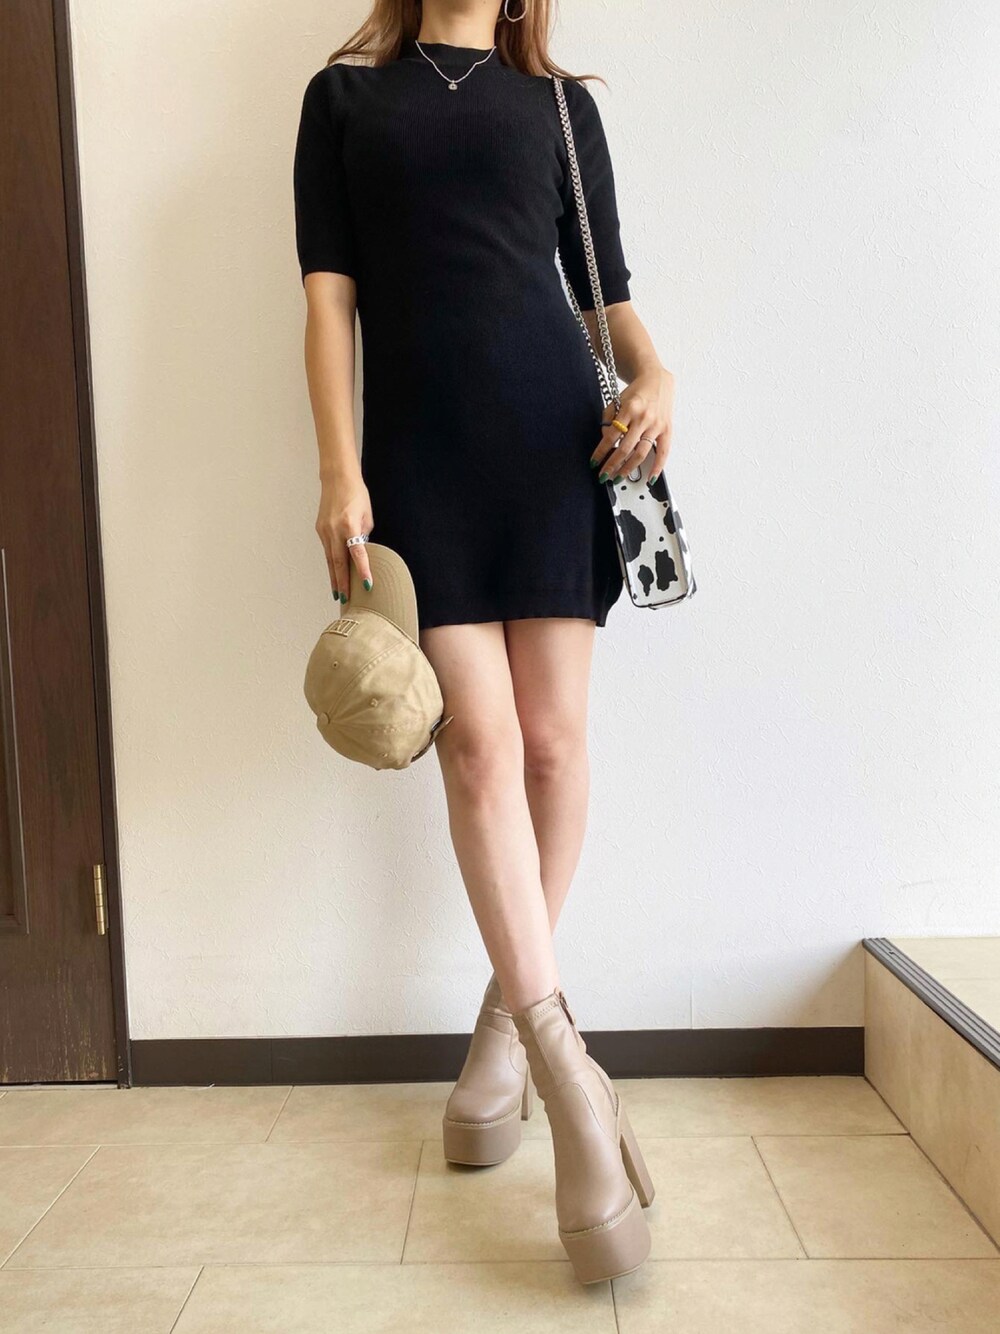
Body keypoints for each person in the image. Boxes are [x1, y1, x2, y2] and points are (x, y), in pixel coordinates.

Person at [293, 0, 675, 1285]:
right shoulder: (344, 101)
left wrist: (658, 377)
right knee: (477, 749)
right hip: (418, 464)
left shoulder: (561, 107)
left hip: (554, 447)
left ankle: (503, 1032)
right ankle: (571, 1076)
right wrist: (338, 470)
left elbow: (606, 302)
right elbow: (330, 305)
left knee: (554, 747)